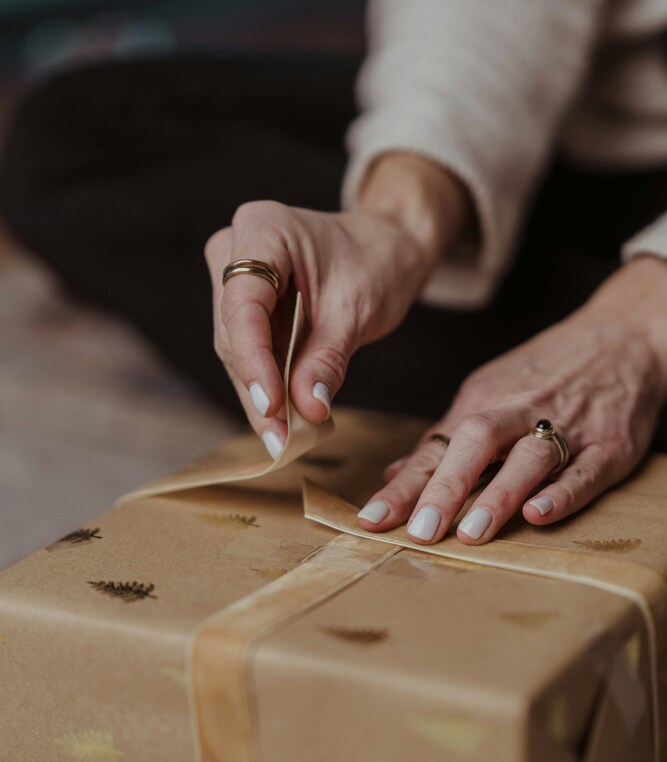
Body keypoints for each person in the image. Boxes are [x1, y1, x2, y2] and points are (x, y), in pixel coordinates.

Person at [1, 0, 667, 547]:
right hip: (594, 124)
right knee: (77, 134)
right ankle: (546, 380)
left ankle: (594, 389)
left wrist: (634, 328)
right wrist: (399, 217)